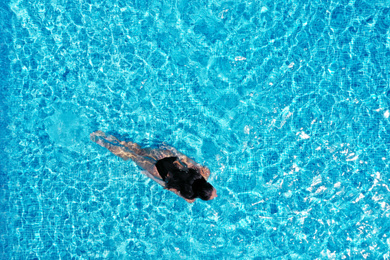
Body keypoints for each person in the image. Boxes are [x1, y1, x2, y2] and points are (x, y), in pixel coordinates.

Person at [90, 130, 217, 203]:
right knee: (131, 155)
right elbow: (167, 186)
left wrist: (171, 150)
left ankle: (108, 137)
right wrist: (149, 175)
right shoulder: (189, 197)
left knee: (137, 150)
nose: (216, 195)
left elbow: (185, 159)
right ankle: (101, 141)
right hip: (158, 171)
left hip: (167, 158)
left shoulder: (203, 172)